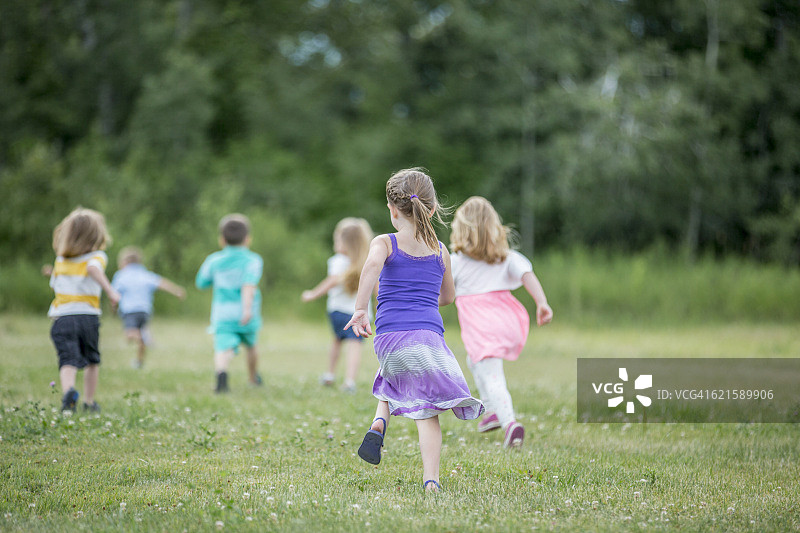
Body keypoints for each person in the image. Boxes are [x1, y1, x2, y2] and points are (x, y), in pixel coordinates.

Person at [345, 168, 483, 493]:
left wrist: (361, 308)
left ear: (392, 211)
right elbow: (448, 297)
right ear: (431, 209)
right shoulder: (440, 251)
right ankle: (431, 481)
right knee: (428, 411)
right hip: (427, 338)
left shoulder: (385, 242)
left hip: (389, 338)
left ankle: (379, 423)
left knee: (392, 373)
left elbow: (370, 266)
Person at [449, 196, 553, 448]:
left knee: (492, 373)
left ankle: (509, 423)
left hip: (482, 325)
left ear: (461, 230)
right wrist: (542, 302)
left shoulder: (457, 262)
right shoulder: (506, 257)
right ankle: (491, 412)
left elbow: (443, 290)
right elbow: (527, 274)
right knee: (474, 361)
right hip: (506, 319)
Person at [48, 207, 120, 412]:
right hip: (87, 316)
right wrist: (111, 291)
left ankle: (69, 391)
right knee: (91, 360)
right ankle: (89, 402)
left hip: (62, 318)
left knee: (67, 359)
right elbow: (92, 269)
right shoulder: (97, 257)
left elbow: (55, 285)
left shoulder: (61, 260)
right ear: (96, 235)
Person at [301, 218, 373, 393]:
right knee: (354, 345)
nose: (335, 244)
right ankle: (349, 381)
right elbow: (377, 288)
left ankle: (330, 374)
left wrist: (312, 294)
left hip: (336, 311)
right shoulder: (367, 262)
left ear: (346, 243)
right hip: (357, 313)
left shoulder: (338, 261)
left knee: (336, 340)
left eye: (337, 240)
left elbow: (330, 281)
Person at [196, 214, 264, 393]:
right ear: (248, 239)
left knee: (223, 347)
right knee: (251, 345)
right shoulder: (253, 260)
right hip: (247, 312)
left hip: (222, 314)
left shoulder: (214, 260)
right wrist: (247, 309)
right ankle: (252, 378)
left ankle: (221, 375)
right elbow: (248, 284)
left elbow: (201, 282)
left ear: (222, 240)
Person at [111, 246, 187, 369]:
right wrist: (177, 291)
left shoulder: (121, 275)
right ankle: (139, 362)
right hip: (145, 311)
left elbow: (113, 293)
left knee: (130, 335)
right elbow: (162, 283)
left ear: (124, 262)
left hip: (130, 310)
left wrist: (113, 307)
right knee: (140, 339)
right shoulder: (145, 274)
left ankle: (144, 337)